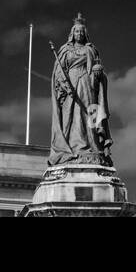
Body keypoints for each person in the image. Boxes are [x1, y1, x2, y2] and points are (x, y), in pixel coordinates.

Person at [49, 14, 113, 167]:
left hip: (87, 84)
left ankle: (92, 146)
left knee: (88, 114)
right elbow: (58, 72)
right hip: (70, 84)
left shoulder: (90, 49)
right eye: (76, 31)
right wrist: (64, 85)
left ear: (85, 34)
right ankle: (71, 148)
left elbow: (97, 68)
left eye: (81, 32)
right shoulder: (65, 50)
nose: (79, 34)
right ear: (72, 33)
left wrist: (98, 73)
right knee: (69, 117)